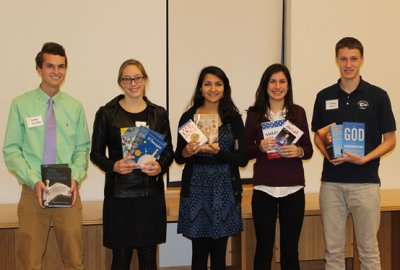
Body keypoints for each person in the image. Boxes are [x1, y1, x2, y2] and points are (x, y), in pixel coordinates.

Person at [2, 42, 90, 269]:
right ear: (39, 69)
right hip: (33, 191)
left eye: (61, 66)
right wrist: (34, 180)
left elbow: (82, 149)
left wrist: (76, 177)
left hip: (67, 191)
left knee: (74, 260)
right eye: (50, 66)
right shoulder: (21, 105)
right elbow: (11, 150)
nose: (56, 72)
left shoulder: (75, 106)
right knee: (29, 262)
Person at [311, 37, 396, 270]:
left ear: (362, 60)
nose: (348, 64)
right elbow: (317, 135)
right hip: (332, 184)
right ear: (336, 60)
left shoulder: (378, 96)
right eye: (343, 59)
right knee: (333, 252)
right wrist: (326, 153)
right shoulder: (324, 96)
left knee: (369, 252)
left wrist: (366, 158)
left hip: (366, 183)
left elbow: (390, 140)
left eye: (353, 59)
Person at [90, 59, 174, 270]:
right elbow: (96, 154)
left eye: (137, 77)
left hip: (150, 196)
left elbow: (168, 152)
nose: (133, 83)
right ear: (120, 82)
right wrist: (114, 165)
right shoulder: (106, 113)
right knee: (120, 260)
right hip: (120, 197)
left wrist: (160, 167)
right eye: (127, 78)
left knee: (148, 261)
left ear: (145, 79)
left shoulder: (159, 113)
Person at [175, 66, 248, 270]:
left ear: (225, 88)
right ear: (200, 88)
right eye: (207, 84)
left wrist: (220, 153)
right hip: (196, 189)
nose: (213, 89)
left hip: (224, 189)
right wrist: (187, 152)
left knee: (219, 253)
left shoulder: (233, 119)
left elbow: (242, 159)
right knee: (198, 252)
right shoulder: (188, 117)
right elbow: (178, 157)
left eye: (218, 84)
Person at [244, 63, 313, 270]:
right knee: (264, 248)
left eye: (282, 81)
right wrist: (259, 147)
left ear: (288, 86)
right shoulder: (255, 114)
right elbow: (245, 152)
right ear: (265, 85)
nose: (277, 86)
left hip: (293, 188)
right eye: (272, 81)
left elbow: (308, 149)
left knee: (290, 249)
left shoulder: (298, 113)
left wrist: (298, 151)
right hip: (264, 188)